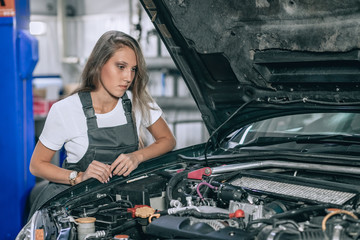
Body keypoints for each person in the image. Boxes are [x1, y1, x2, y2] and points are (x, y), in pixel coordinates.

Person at [28, 30, 176, 218]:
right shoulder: (66, 110)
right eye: (121, 66)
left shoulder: (137, 101)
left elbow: (167, 140)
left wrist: (137, 157)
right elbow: (37, 165)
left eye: (133, 69)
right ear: (99, 64)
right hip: (77, 206)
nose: (128, 78)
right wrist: (78, 177)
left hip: (124, 203)